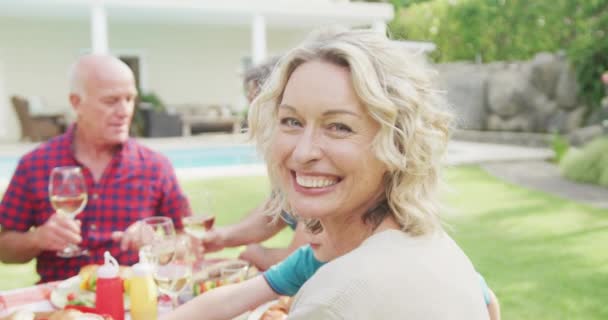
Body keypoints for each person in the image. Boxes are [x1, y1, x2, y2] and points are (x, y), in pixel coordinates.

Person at [245, 27, 492, 319]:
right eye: (291, 121)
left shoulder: (335, 299)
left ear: (397, 144)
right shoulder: (437, 246)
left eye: (339, 126)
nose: (303, 152)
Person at [0, 54, 191, 283]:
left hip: (133, 301)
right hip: (62, 307)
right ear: (76, 103)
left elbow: (188, 241)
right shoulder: (35, 165)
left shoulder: (155, 167)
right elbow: (5, 248)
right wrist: (38, 239)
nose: (125, 111)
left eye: (130, 99)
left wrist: (159, 244)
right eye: (111, 101)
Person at [164, 228, 499, 320]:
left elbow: (487, 298)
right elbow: (232, 299)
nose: (309, 235)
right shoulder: (314, 256)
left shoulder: (396, 260)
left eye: (319, 224)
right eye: (303, 224)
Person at [201, 57, 309, 271]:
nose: (253, 118)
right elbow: (277, 209)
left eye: (260, 106)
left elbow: (304, 259)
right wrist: (223, 237)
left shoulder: (308, 161)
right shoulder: (286, 158)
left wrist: (255, 254)